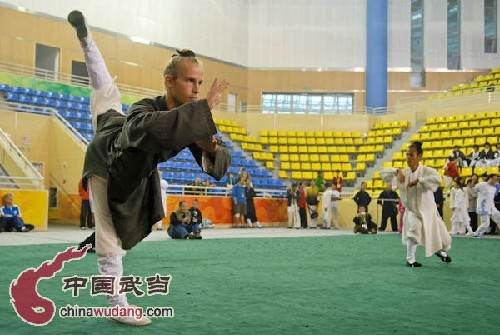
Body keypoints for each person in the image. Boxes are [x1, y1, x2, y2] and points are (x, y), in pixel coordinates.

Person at [68, 10, 230, 326]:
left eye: (199, 83)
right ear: (169, 81)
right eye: (189, 81)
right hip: (105, 161)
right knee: (110, 240)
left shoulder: (190, 118)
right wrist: (203, 109)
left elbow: (219, 166)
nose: (196, 90)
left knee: (103, 86)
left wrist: (210, 147)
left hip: (127, 159)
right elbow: (153, 130)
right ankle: (117, 304)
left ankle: (85, 37)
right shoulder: (146, 109)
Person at [395, 141, 452, 267]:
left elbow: (438, 179)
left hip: (428, 211)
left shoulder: (427, 171)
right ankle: (410, 260)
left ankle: (441, 253)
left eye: (411, 155)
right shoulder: (404, 172)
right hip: (413, 211)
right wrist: (396, 171)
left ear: (420, 156)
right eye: (407, 155)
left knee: (442, 239)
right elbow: (385, 175)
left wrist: (419, 180)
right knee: (413, 231)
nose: (408, 158)